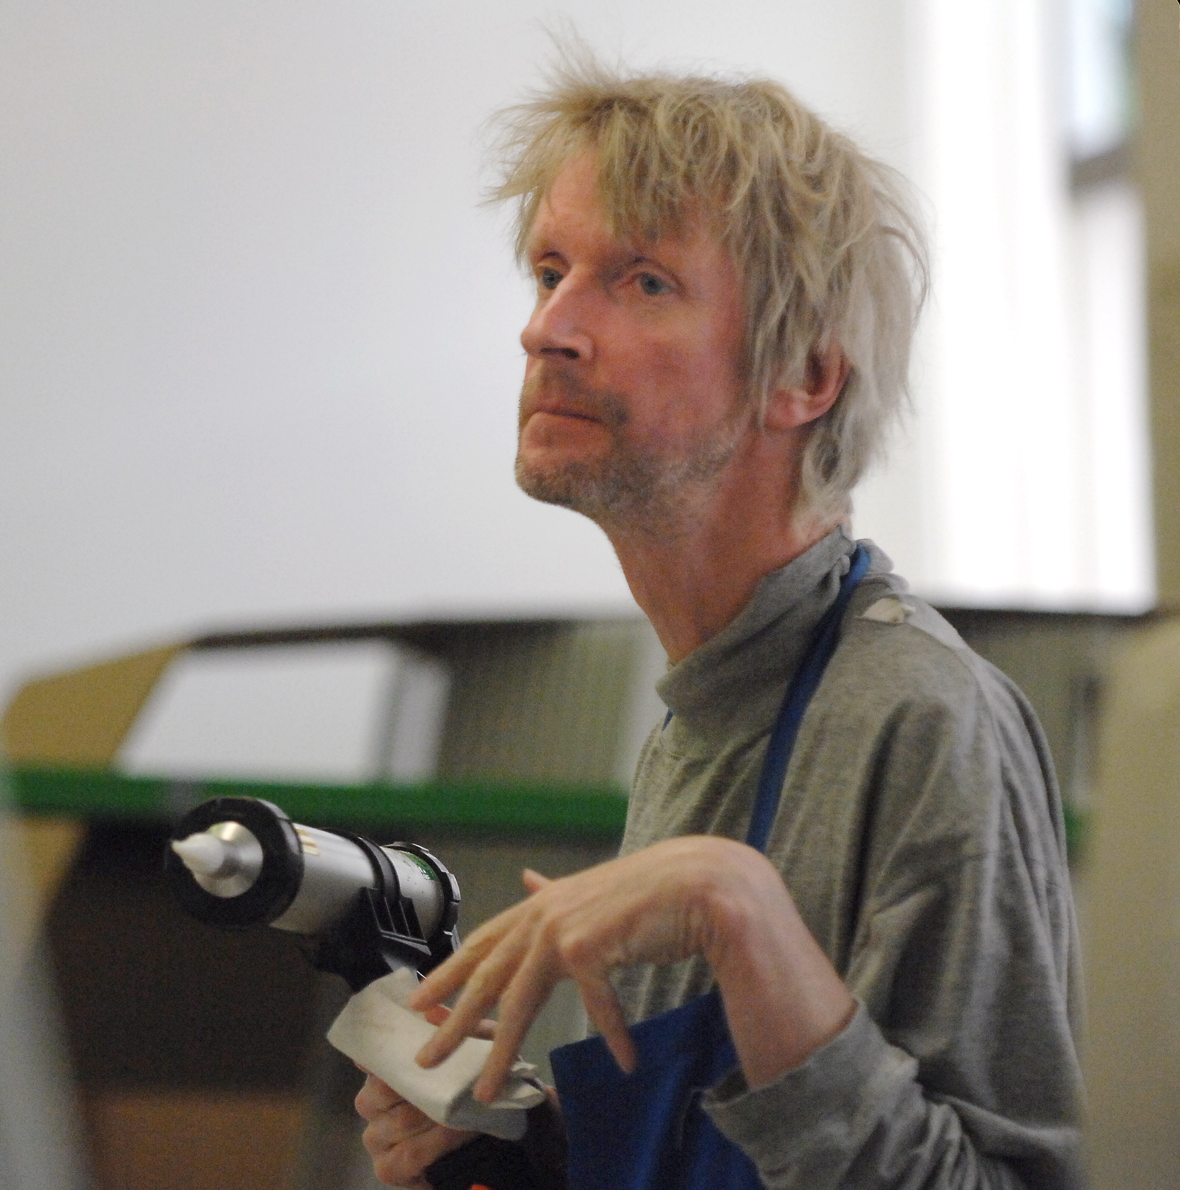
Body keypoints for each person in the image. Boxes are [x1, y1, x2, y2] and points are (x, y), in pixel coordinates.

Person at [354, 54, 1083, 1190]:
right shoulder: (701, 716)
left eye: (641, 281)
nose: (548, 327)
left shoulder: (920, 720)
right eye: (549, 271)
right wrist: (530, 1152)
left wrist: (736, 908)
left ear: (803, 377)